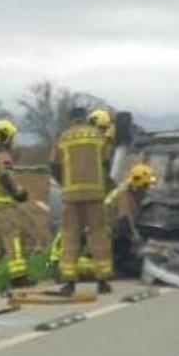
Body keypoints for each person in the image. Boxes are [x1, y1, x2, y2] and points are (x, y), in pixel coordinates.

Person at [50, 107, 113, 295]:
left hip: (71, 196)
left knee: (70, 237)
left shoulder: (63, 138)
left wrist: (65, 184)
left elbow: (54, 165)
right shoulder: (98, 137)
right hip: (95, 194)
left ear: (71, 120)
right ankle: (103, 281)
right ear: (85, 119)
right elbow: (106, 163)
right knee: (98, 236)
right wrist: (103, 183)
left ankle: (69, 281)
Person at [0, 119, 40, 289]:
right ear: (4, 136)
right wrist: (19, 193)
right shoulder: (2, 154)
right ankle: (19, 276)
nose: (13, 140)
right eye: (12, 136)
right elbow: (6, 177)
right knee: (14, 237)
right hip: (1, 204)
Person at [105, 163, 155, 276]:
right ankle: (117, 269)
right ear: (138, 185)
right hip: (110, 237)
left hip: (113, 233)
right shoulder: (125, 195)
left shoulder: (128, 193)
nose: (146, 190)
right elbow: (125, 222)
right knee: (127, 263)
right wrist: (137, 240)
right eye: (145, 186)